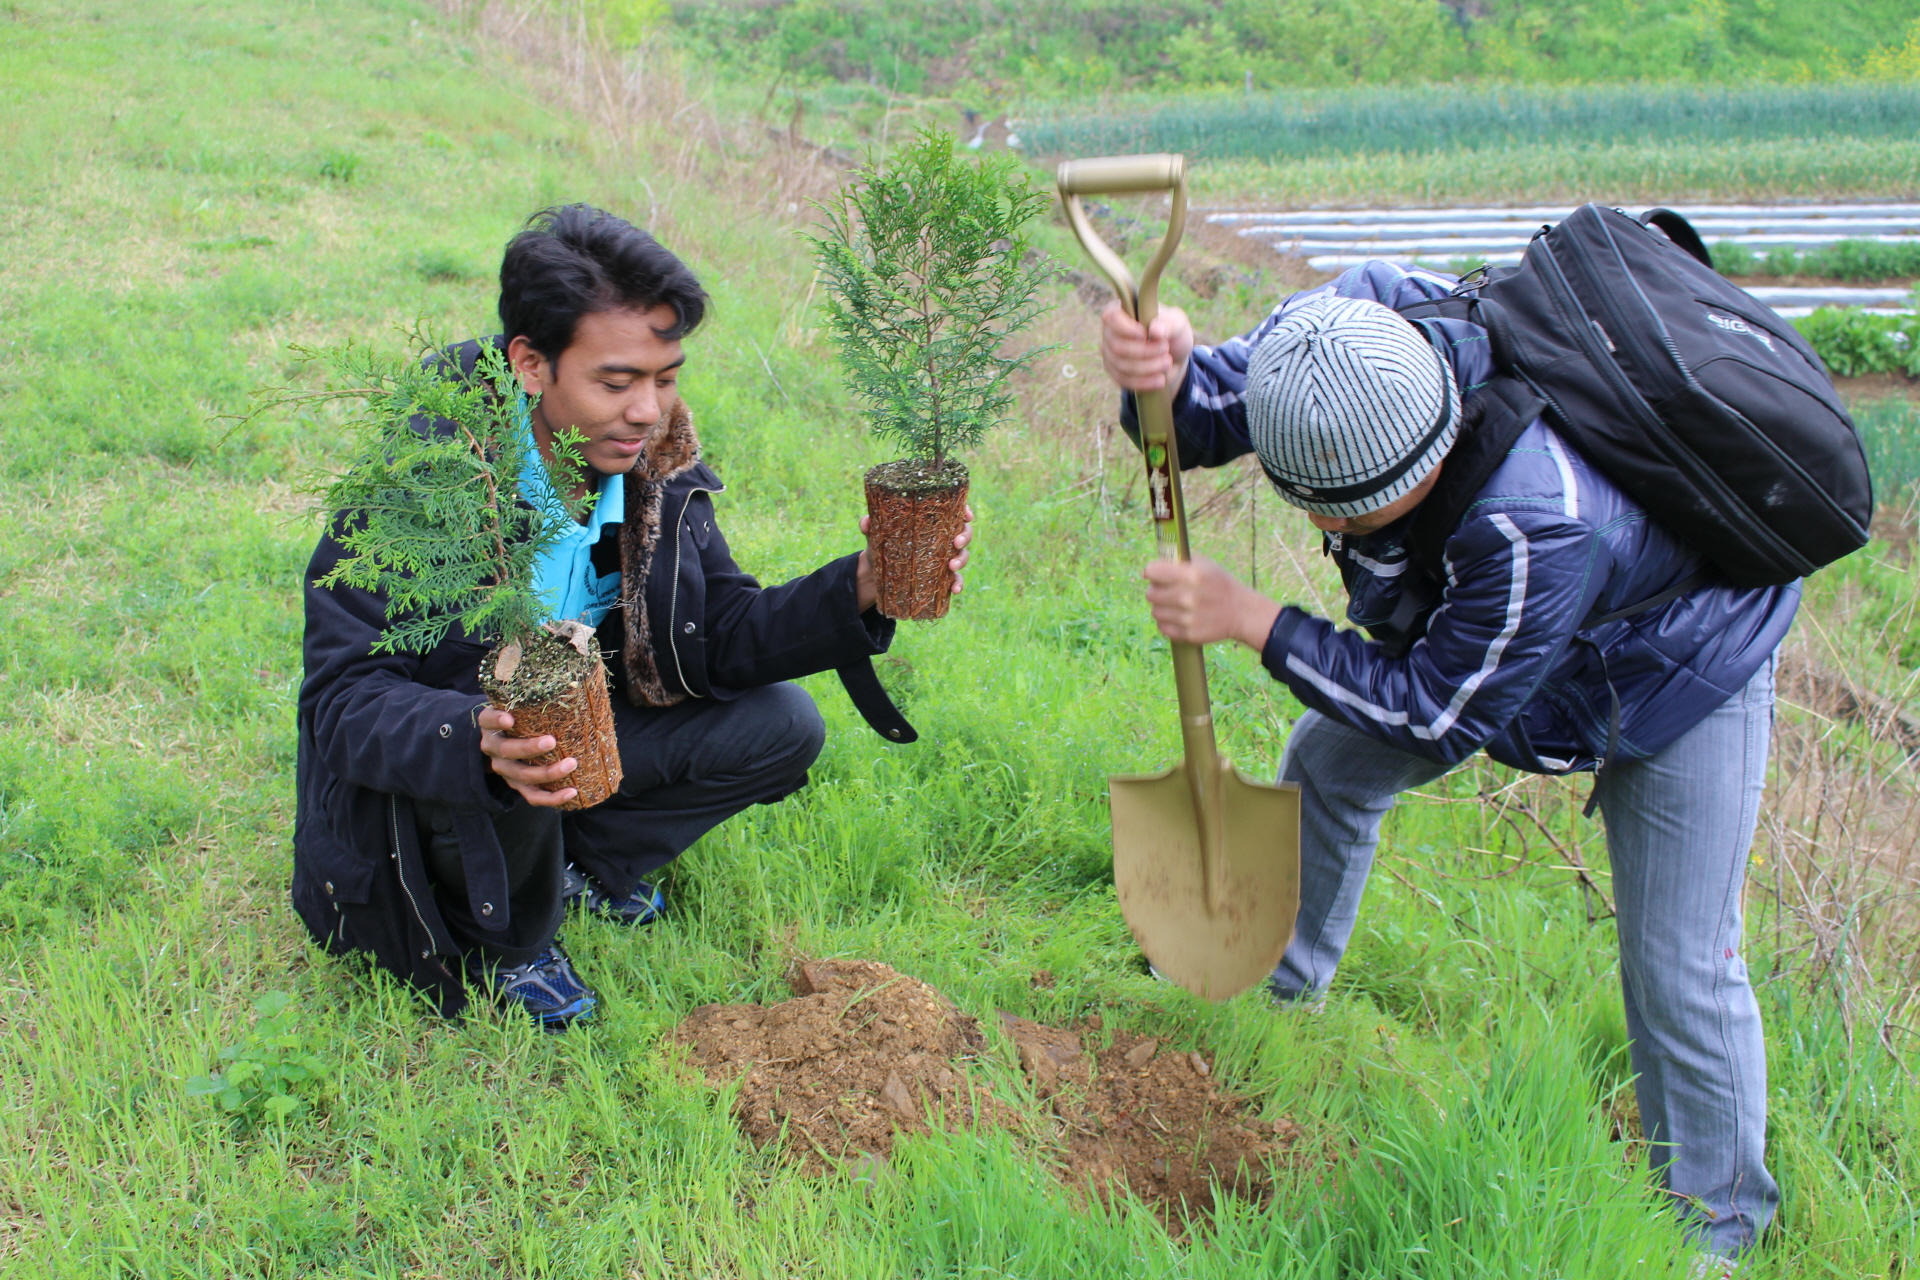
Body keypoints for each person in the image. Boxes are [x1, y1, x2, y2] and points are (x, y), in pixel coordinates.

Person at [1099, 262, 1794, 1262]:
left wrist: (1257, 621)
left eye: (1351, 519)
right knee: (1328, 762)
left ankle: (1716, 1226)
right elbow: (1201, 419)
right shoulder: (1336, 341)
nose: (1330, 533)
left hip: (1677, 665)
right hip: (1517, 635)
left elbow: (1432, 716)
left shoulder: (1533, 520)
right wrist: (1158, 374)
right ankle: (1277, 997)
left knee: (1679, 958)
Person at [293, 205, 970, 1029]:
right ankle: (513, 944)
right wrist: (479, 737)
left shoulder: (655, 470)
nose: (648, 410)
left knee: (782, 725)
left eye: (665, 376)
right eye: (616, 382)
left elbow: (714, 633)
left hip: (571, 733)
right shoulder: (424, 480)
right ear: (531, 363)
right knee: (528, 727)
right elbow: (344, 698)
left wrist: (861, 584)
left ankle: (578, 872)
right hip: (449, 771)